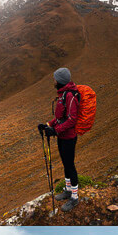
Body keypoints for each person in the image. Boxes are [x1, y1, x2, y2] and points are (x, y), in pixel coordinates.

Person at [37, 67, 82, 212]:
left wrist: (55, 131)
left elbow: (71, 120)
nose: (54, 81)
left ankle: (74, 198)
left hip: (68, 137)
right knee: (65, 164)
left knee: (70, 165)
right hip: (62, 136)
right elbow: (59, 118)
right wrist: (48, 125)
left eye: (55, 79)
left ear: (60, 81)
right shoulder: (63, 94)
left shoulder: (69, 96)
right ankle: (68, 190)